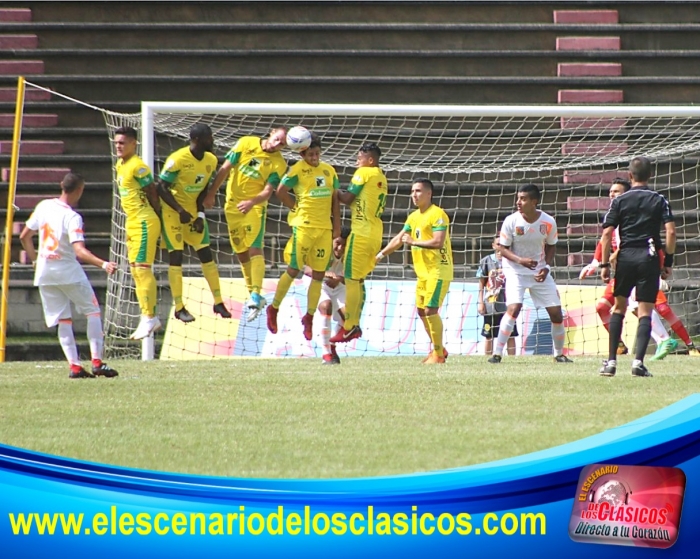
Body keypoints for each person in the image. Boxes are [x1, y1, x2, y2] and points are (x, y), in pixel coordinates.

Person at [580, 178, 697, 361]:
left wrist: (662, 266)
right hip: (626, 269)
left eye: (616, 191)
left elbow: (650, 241)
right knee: (604, 307)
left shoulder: (634, 215)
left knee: (654, 308)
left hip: (640, 265)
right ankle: (622, 346)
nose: (612, 194)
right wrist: (595, 264)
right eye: (611, 191)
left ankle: (681, 343)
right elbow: (604, 240)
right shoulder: (615, 215)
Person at [19, 173, 119, 379]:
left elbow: (24, 236)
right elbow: (79, 251)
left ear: (61, 186)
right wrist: (104, 264)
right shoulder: (72, 216)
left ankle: (74, 366)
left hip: (45, 273)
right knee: (92, 311)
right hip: (68, 271)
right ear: (80, 190)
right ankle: (97, 362)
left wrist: (35, 259)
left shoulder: (44, 206)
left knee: (63, 319)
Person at [598, 156, 676, 377]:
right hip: (649, 257)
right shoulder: (659, 199)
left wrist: (604, 264)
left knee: (619, 307)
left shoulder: (620, 200)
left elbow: (606, 234)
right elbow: (670, 232)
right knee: (645, 311)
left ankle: (612, 362)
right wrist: (667, 262)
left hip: (626, 258)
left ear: (630, 176)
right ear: (650, 175)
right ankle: (638, 363)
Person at [203, 127, 288, 322]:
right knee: (240, 253)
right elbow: (225, 168)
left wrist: (252, 202)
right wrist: (211, 193)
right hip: (232, 206)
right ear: (271, 133)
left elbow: (268, 192)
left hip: (254, 208)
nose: (277, 145)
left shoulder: (279, 164)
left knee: (254, 249)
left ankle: (256, 294)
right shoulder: (245, 143)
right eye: (276, 139)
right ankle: (254, 294)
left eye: (282, 144)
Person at [266, 133, 341, 340]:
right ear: (302, 153)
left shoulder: (329, 170)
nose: (314, 157)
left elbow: (335, 200)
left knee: (318, 275)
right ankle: (274, 308)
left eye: (317, 153)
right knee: (293, 269)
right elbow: (281, 191)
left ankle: (308, 317)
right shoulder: (297, 170)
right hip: (304, 226)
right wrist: (295, 207)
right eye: (310, 154)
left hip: (324, 229)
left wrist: (336, 229)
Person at [488, 183, 572, 364]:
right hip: (515, 271)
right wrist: (520, 261)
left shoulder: (548, 222)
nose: (518, 202)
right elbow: (502, 248)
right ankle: (497, 354)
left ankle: (559, 354)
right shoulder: (511, 221)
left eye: (523, 199)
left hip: (538, 272)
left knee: (557, 314)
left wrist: (546, 267)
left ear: (534, 201)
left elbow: (551, 245)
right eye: (518, 198)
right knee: (514, 308)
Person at [157, 123, 231, 323]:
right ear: (197, 140)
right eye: (209, 138)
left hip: (191, 212)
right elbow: (161, 188)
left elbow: (202, 191)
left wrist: (200, 215)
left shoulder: (210, 160)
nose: (212, 141)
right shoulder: (178, 159)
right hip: (173, 212)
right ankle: (179, 307)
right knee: (176, 256)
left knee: (206, 253)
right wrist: (179, 210)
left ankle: (218, 301)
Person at [377, 178, 452, 364]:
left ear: (429, 193)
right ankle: (439, 348)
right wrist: (380, 255)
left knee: (430, 310)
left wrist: (413, 242)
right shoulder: (413, 217)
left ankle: (438, 355)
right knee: (421, 311)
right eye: (412, 191)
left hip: (438, 270)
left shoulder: (438, 214)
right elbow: (399, 238)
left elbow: (438, 242)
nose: (414, 195)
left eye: (418, 191)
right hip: (423, 273)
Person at [330, 142, 388, 344]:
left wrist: (334, 189)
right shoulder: (381, 177)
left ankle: (349, 326)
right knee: (358, 280)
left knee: (350, 278)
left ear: (370, 160)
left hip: (361, 233)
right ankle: (353, 325)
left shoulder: (363, 173)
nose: (356, 161)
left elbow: (347, 198)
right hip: (375, 234)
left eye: (359, 158)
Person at [113, 126, 162, 340]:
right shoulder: (120, 165)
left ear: (134, 143)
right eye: (117, 142)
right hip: (131, 222)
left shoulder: (139, 167)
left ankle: (149, 316)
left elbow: (152, 191)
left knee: (142, 269)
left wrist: (158, 216)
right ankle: (147, 316)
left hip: (144, 222)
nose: (118, 146)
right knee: (135, 271)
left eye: (123, 142)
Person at [303, 226, 352, 365]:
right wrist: (325, 274)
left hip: (338, 284)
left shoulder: (351, 253)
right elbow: (307, 269)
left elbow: (356, 276)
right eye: (338, 243)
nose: (340, 248)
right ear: (331, 241)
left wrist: (338, 279)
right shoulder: (322, 248)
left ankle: (332, 345)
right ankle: (326, 354)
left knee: (349, 319)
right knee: (326, 306)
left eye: (344, 244)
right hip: (318, 282)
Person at [477, 235, 517, 356]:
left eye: (503, 244)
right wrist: (480, 302)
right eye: (498, 244)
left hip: (508, 304)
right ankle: (487, 358)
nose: (500, 247)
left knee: (510, 334)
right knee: (489, 335)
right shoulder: (486, 261)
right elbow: (481, 284)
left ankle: (512, 360)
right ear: (493, 245)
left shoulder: (512, 261)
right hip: (491, 305)